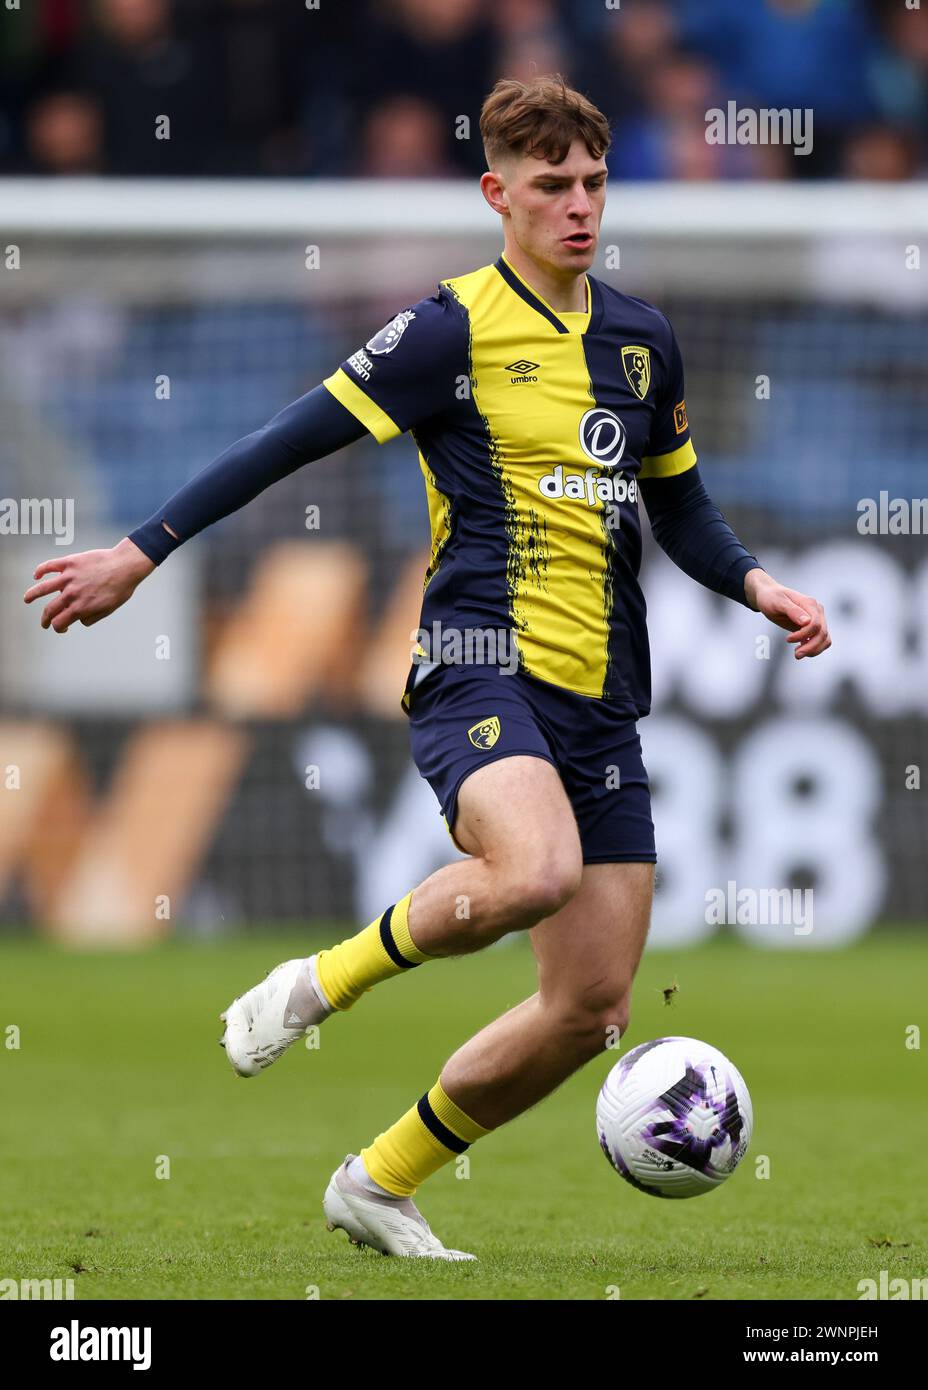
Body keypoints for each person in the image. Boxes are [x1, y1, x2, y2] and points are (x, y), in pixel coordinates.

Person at [23, 74, 831, 1261]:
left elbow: (686, 513)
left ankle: (379, 1180)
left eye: (594, 183)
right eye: (551, 186)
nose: (578, 207)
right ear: (496, 194)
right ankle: (319, 984)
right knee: (535, 869)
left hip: (603, 702)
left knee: (590, 1009)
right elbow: (285, 438)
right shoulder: (446, 328)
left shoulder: (642, 340)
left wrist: (757, 585)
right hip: (477, 667)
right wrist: (142, 553)